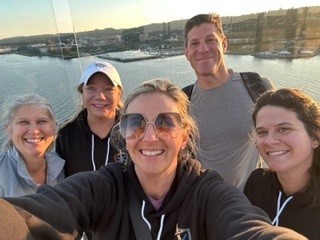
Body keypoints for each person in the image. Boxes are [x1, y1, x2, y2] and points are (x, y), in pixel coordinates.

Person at [1, 79, 306, 239]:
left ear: (184, 135)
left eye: (166, 122)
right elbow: (40, 214)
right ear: (126, 135)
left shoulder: (208, 192)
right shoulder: (104, 186)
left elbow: (248, 227)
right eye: (135, 123)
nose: (149, 137)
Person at [182, 13, 276, 189]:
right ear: (187, 53)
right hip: (206, 204)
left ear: (224, 44)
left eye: (210, 40)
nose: (203, 49)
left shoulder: (258, 87)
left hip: (252, 203)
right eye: (194, 43)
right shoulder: (183, 102)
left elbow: (284, 139)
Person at [244, 88, 320, 239]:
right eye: (262, 132)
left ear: (315, 138)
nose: (270, 141)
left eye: (283, 129)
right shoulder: (257, 183)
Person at [56, 61, 123, 177]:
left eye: (108, 89)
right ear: (82, 93)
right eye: (91, 88)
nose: (100, 96)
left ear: (119, 94)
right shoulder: (65, 134)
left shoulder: (134, 130)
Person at [0, 94, 65, 197]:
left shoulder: (64, 167)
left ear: (54, 128)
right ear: (9, 130)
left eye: (42, 121)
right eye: (23, 122)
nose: (34, 131)